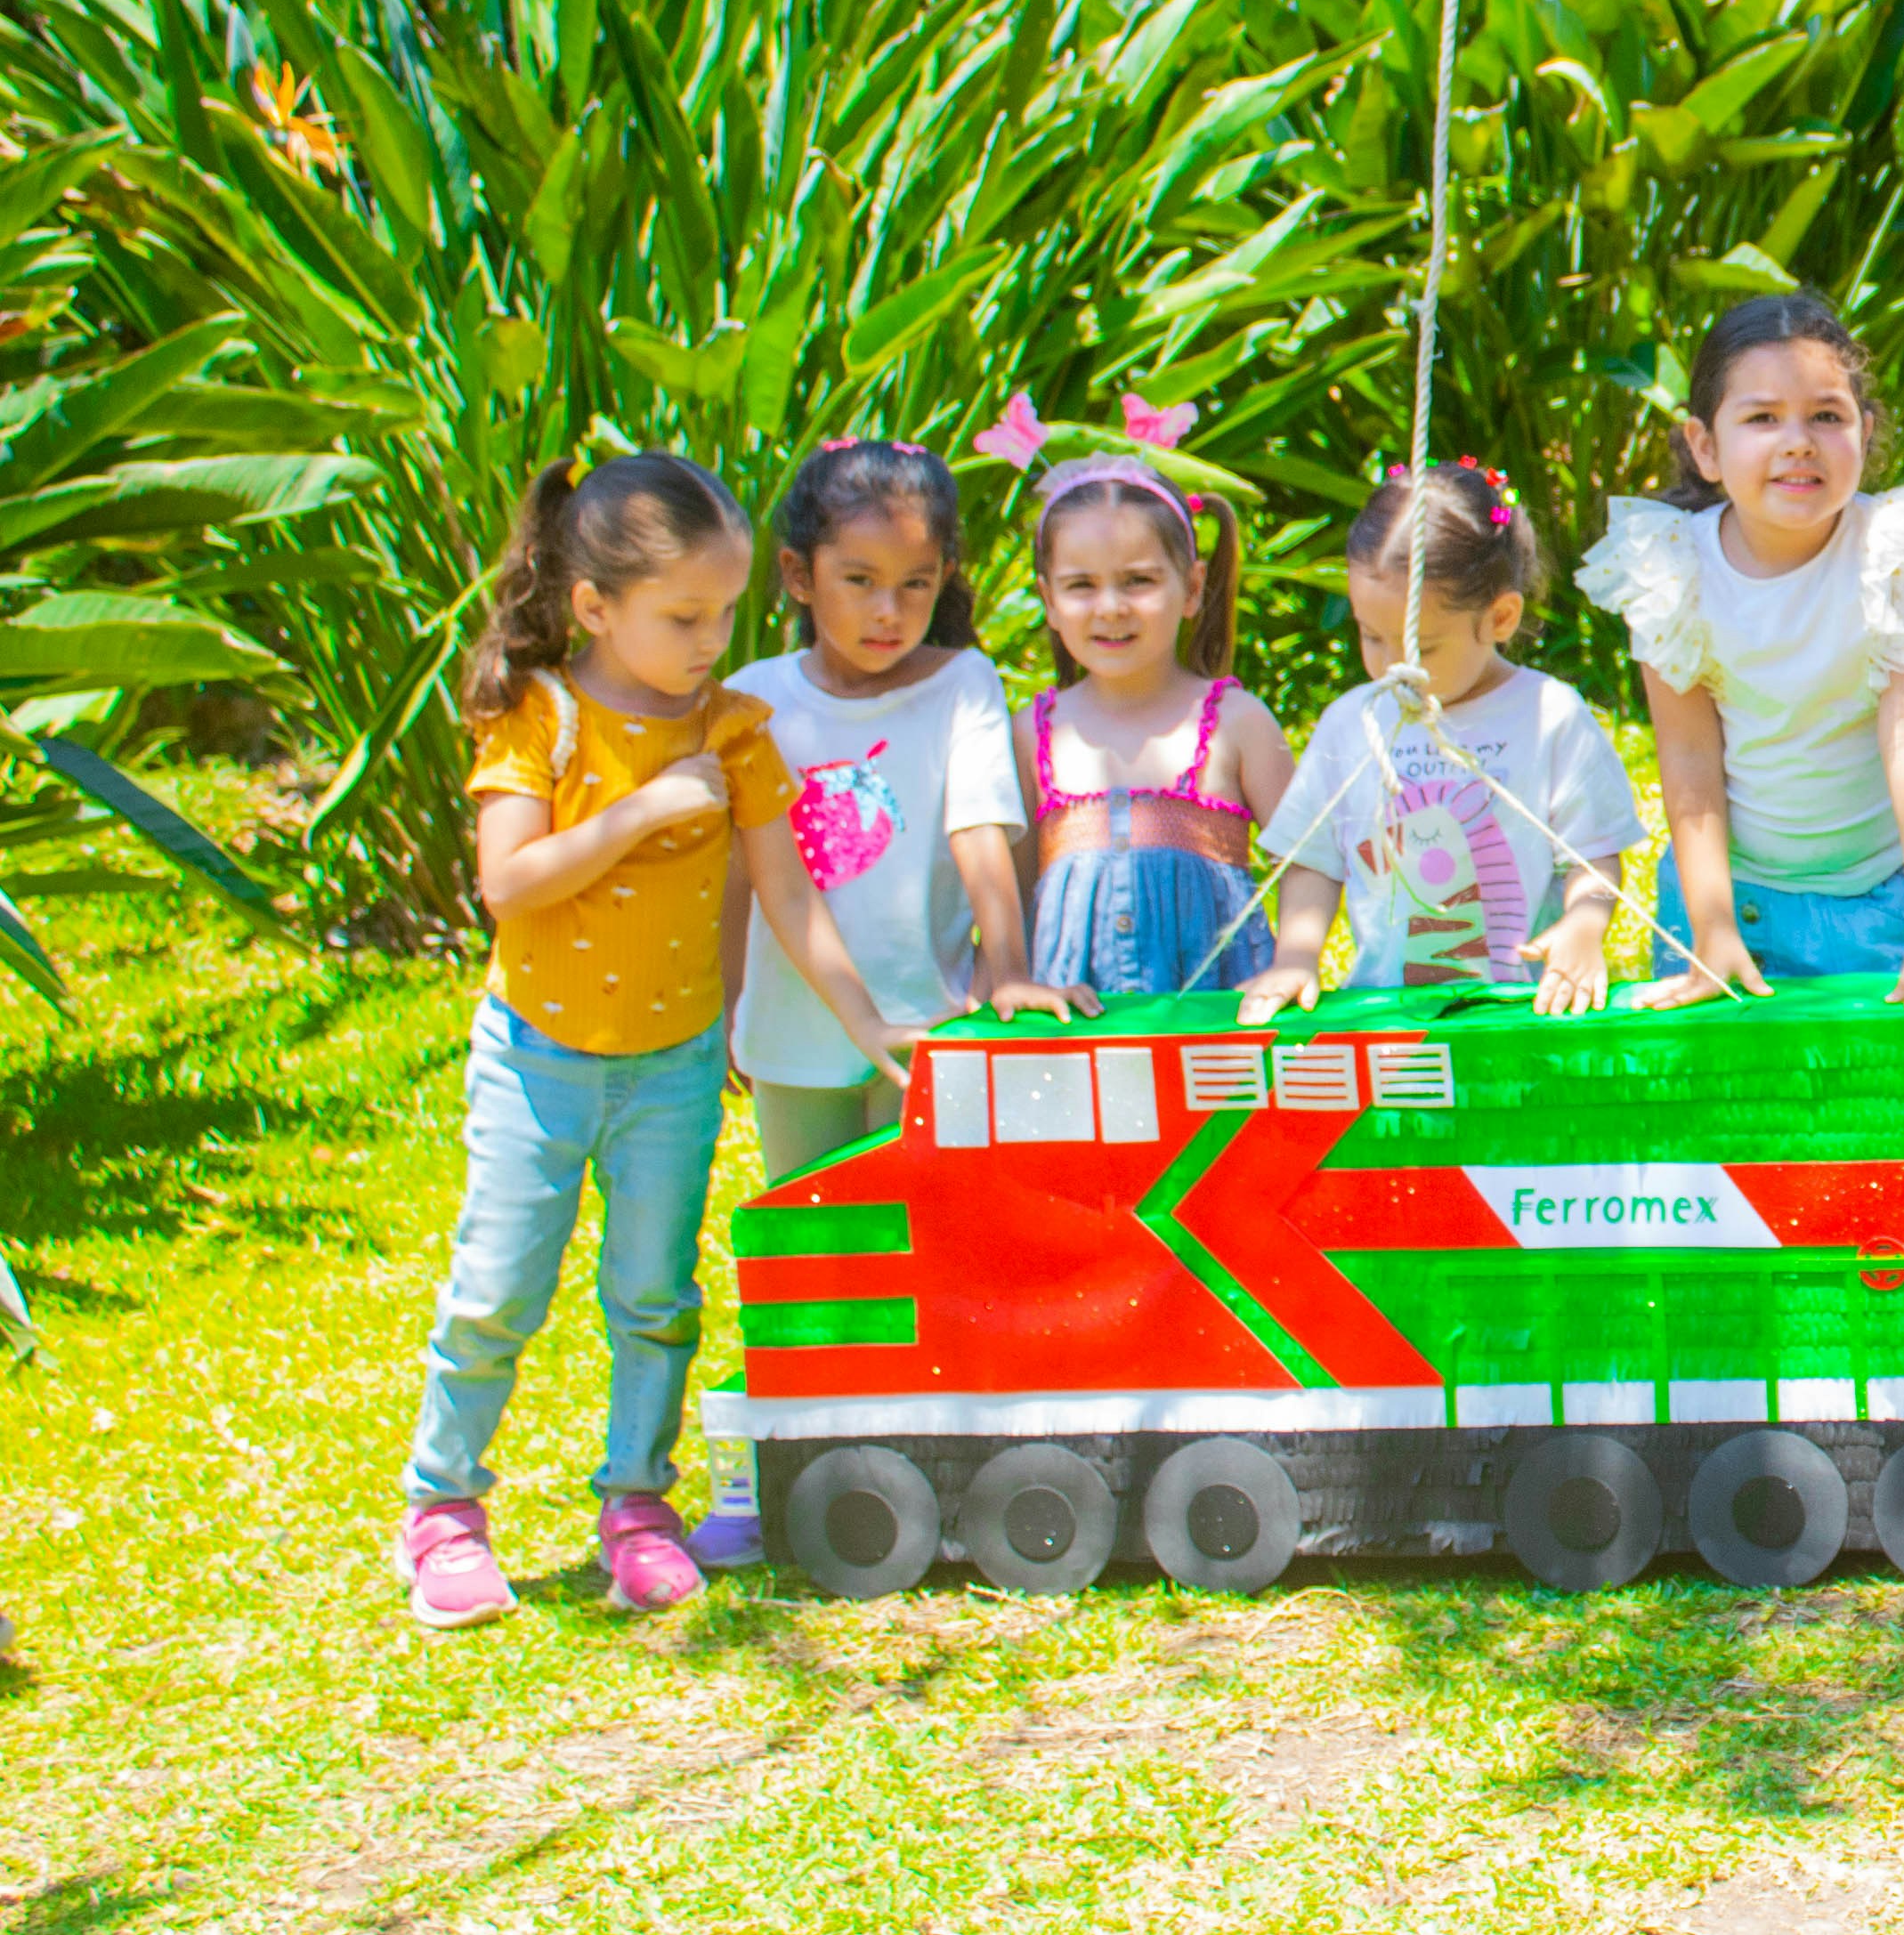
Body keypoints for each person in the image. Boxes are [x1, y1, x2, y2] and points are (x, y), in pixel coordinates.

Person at [399, 455, 909, 1630]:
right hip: (539, 1057)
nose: (710, 640)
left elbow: (790, 897)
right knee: (498, 1289)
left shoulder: (732, 730)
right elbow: (508, 884)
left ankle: (637, 1503)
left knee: (654, 1297)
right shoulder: (542, 715)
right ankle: (443, 1510)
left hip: (673, 1063)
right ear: (593, 606)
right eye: (684, 616)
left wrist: (865, 1018)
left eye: (727, 612)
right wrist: (639, 813)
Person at [697, 436, 1076, 1572]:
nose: (888, 611)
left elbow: (980, 830)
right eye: (858, 581)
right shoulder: (750, 701)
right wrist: (729, 1004)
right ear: (799, 575)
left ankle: (940, 1463)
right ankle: (790, 1463)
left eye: (916, 585)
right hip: (796, 1031)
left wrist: (1004, 968)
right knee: (812, 1245)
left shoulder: (962, 683)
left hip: (933, 1027)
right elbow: (743, 879)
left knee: (938, 1243)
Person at [1579, 293, 1904, 1004]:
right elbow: (1687, 760)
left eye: (1826, 417)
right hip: (1724, 903)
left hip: (1877, 902)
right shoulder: (1666, 570)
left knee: (1872, 1105)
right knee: (1726, 1104)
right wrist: (1710, 927)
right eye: (1762, 417)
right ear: (1705, 446)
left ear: (1864, 434)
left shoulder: (1899, 553)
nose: (1798, 440)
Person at [1251, 459, 1645, 1016]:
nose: (1392, 665)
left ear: (1502, 617)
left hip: (1523, 1012)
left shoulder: (1549, 714)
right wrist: (1296, 954)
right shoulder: (1352, 721)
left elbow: (1594, 854)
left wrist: (1583, 928)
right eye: (1370, 636)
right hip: (1386, 1017)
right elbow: (1314, 859)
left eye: (1422, 646)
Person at [987, 392, 1294, 999]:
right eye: (1081, 585)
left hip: (1220, 1046)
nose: (1111, 608)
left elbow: (1313, 861)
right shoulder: (1030, 736)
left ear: (1192, 587)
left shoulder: (1236, 724)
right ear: (1047, 599)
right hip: (1075, 1055)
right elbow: (1011, 903)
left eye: (1139, 581)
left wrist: (1295, 963)